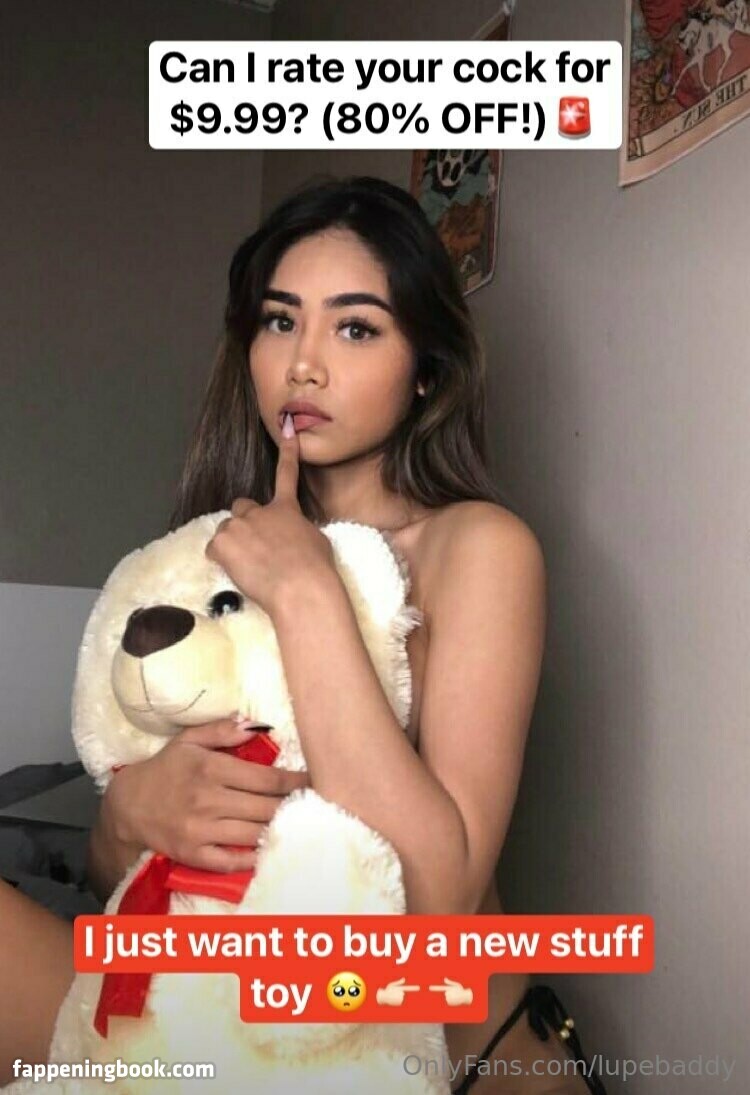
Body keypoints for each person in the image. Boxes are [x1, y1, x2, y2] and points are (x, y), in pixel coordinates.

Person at [0, 175, 606, 1094]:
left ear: (427, 367)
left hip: (421, 1053)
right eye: (281, 321)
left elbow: (440, 909)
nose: (304, 365)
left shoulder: (478, 547)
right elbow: (129, 881)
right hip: (222, 1015)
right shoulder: (214, 552)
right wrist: (126, 819)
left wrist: (309, 591)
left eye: (356, 328)